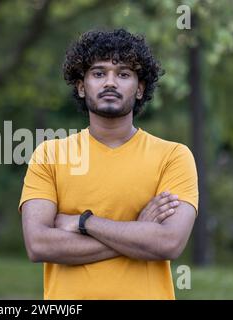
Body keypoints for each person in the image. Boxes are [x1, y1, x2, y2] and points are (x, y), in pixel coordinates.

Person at [18, 29, 199, 300]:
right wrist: (137, 231)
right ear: (82, 86)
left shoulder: (173, 156)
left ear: (139, 89)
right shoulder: (49, 154)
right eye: (99, 73)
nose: (110, 83)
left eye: (124, 74)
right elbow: (38, 244)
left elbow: (169, 243)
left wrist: (84, 222)